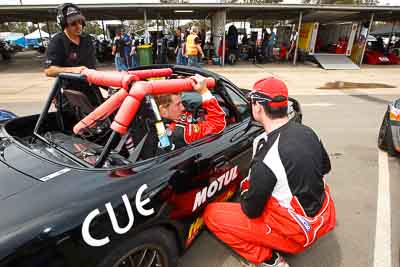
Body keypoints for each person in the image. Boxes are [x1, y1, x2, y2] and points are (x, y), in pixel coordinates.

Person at [204, 77, 336, 267]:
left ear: (257, 107)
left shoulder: (268, 156)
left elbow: (251, 210)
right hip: (321, 217)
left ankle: (270, 259)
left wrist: (247, 190)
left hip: (296, 232)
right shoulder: (308, 132)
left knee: (212, 214)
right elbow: (325, 168)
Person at [44, 3, 101, 106]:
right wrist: (74, 70)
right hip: (71, 94)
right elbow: (49, 70)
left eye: (80, 22)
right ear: (64, 24)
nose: (79, 26)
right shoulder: (58, 41)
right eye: (73, 24)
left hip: (91, 90)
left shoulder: (87, 39)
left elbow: (92, 67)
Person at [154, 74, 226, 150]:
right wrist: (204, 92)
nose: (183, 108)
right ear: (163, 111)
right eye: (178, 104)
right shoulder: (182, 132)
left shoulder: (155, 121)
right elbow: (217, 124)